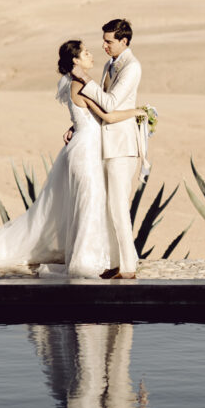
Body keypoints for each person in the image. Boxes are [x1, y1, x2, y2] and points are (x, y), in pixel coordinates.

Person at [0, 40, 143, 278]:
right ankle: (85, 261)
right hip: (86, 152)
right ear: (76, 61)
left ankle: (96, 256)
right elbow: (108, 115)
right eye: (86, 53)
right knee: (88, 202)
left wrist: (73, 126)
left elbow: (89, 117)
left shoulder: (76, 83)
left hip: (85, 147)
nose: (92, 55)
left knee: (89, 203)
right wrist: (140, 111)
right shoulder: (81, 84)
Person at [70, 18, 142, 280]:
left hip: (121, 146)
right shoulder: (109, 65)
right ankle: (115, 263)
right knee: (109, 206)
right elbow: (96, 103)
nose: (104, 45)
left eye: (109, 41)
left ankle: (128, 267)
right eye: (104, 40)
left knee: (119, 206)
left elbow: (110, 104)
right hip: (104, 144)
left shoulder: (132, 67)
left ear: (124, 41)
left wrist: (85, 80)